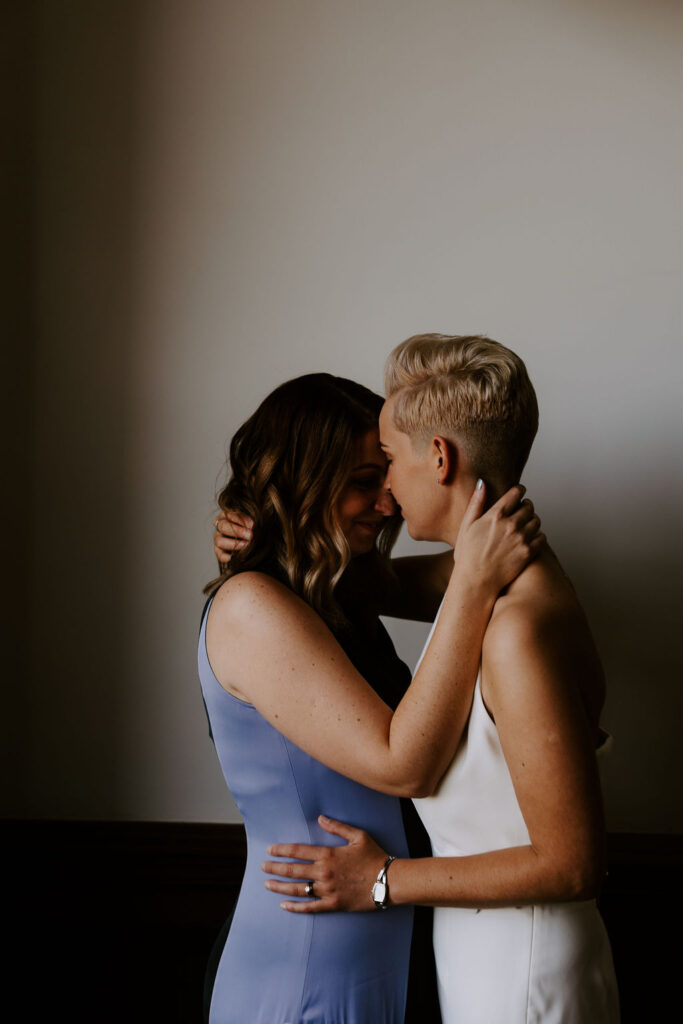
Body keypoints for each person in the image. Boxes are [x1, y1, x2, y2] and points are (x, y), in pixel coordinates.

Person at [258, 336, 620, 1024]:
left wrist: (383, 882)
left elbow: (573, 864)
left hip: (522, 973)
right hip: (485, 956)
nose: (386, 491)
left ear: (440, 458)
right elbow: (367, 584)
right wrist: (261, 541)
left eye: (388, 462)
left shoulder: (514, 627)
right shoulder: (490, 582)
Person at [201, 371, 541, 1024]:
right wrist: (472, 582)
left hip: (390, 944)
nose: (387, 503)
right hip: (308, 963)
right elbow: (403, 765)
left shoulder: (337, 596)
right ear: (299, 483)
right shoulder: (250, 605)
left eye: (386, 477)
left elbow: (498, 567)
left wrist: (482, 540)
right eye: (363, 482)